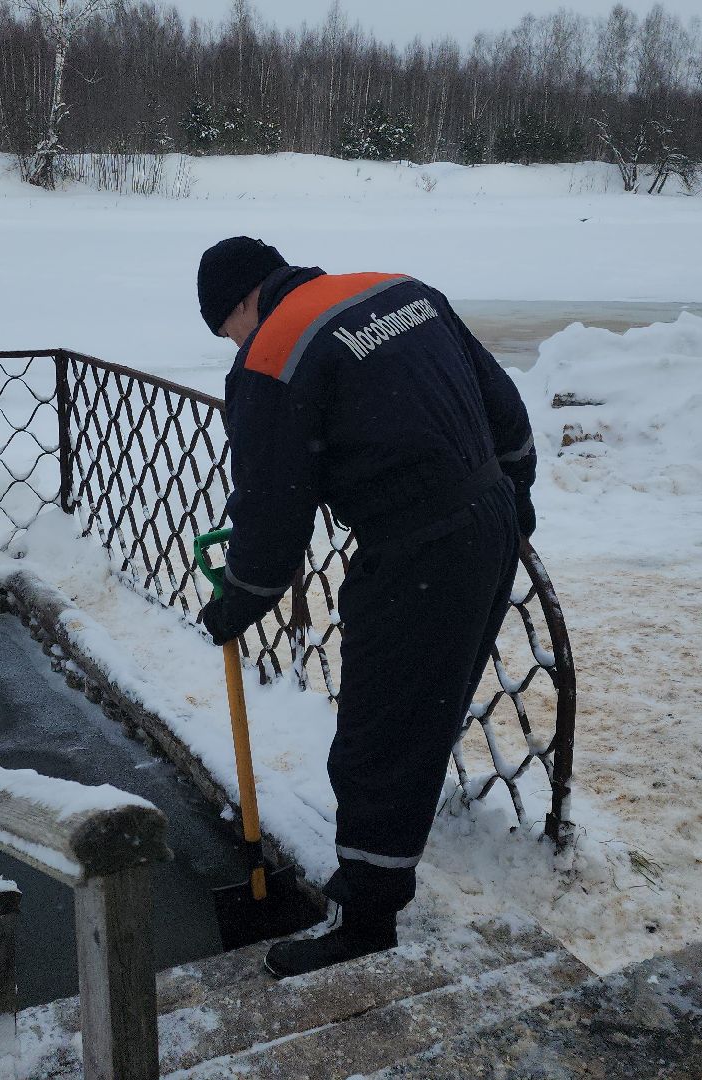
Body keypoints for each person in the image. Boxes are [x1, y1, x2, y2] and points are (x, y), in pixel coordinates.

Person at [193, 237, 537, 979]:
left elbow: (275, 506)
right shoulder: (397, 288)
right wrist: (519, 493)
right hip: (488, 517)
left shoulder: (273, 355)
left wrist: (240, 601)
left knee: (377, 742)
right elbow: (501, 402)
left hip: (419, 549)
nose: (235, 347)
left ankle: (364, 921)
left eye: (228, 331)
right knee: (421, 715)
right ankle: (389, 859)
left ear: (246, 300)